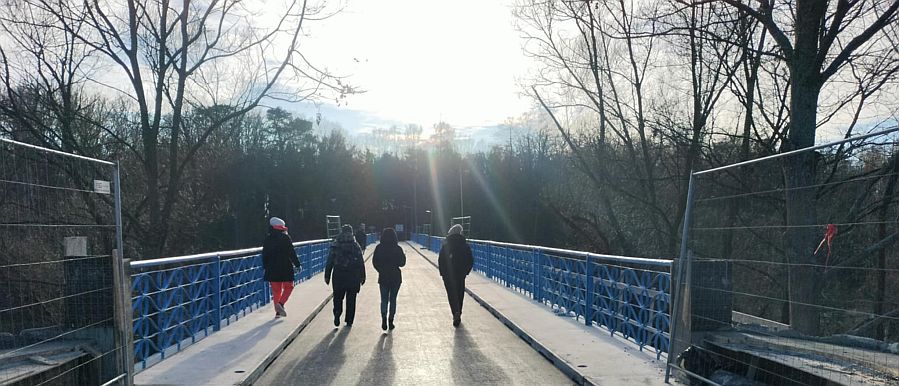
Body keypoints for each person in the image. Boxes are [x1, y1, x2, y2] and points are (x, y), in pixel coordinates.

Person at [325, 224, 366, 327]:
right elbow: (361, 261)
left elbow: (330, 260)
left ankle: (337, 312)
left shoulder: (336, 244)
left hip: (338, 275)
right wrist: (363, 275)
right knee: (351, 299)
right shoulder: (355, 245)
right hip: (353, 275)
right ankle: (349, 320)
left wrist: (327, 275)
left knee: (338, 296)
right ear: (352, 232)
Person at [262, 217, 301, 318]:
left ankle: (278, 312)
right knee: (289, 286)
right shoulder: (285, 238)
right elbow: (291, 253)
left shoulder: (267, 239)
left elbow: (264, 255)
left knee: (276, 291)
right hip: (285, 267)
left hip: (271, 268)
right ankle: (281, 304)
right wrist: (297, 264)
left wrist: (265, 267)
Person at [438, 224, 473, 327]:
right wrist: (466, 271)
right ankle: (459, 312)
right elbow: (470, 260)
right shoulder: (465, 245)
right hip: (460, 274)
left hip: (448, 275)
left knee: (451, 294)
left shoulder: (445, 245)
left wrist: (443, 273)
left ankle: (455, 312)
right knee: (459, 293)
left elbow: (441, 260)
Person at [372, 228, 406, 331]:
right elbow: (402, 263)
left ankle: (383, 318)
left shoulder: (379, 248)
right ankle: (391, 320)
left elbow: (374, 262)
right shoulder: (398, 248)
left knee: (384, 299)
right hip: (395, 277)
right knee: (393, 300)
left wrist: (380, 270)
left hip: (383, 277)